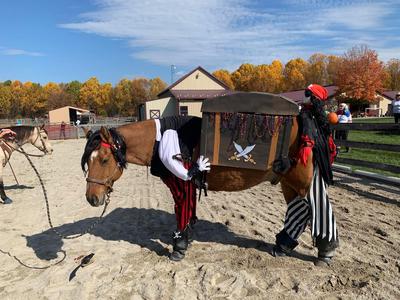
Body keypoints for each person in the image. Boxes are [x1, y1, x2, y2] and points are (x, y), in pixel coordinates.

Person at [273, 84, 339, 265]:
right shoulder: (309, 116)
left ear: (314, 98)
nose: (304, 95)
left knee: (318, 205)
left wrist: (292, 162)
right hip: (311, 166)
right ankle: (285, 242)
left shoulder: (310, 118)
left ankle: (327, 248)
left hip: (314, 168)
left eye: (307, 93)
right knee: (303, 203)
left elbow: (307, 146)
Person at [150, 116, 210, 261]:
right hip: (181, 174)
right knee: (183, 203)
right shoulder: (171, 159)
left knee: (185, 201)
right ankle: (180, 246)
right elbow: (185, 174)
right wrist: (197, 168)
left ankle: (186, 236)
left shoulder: (170, 143)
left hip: (180, 171)